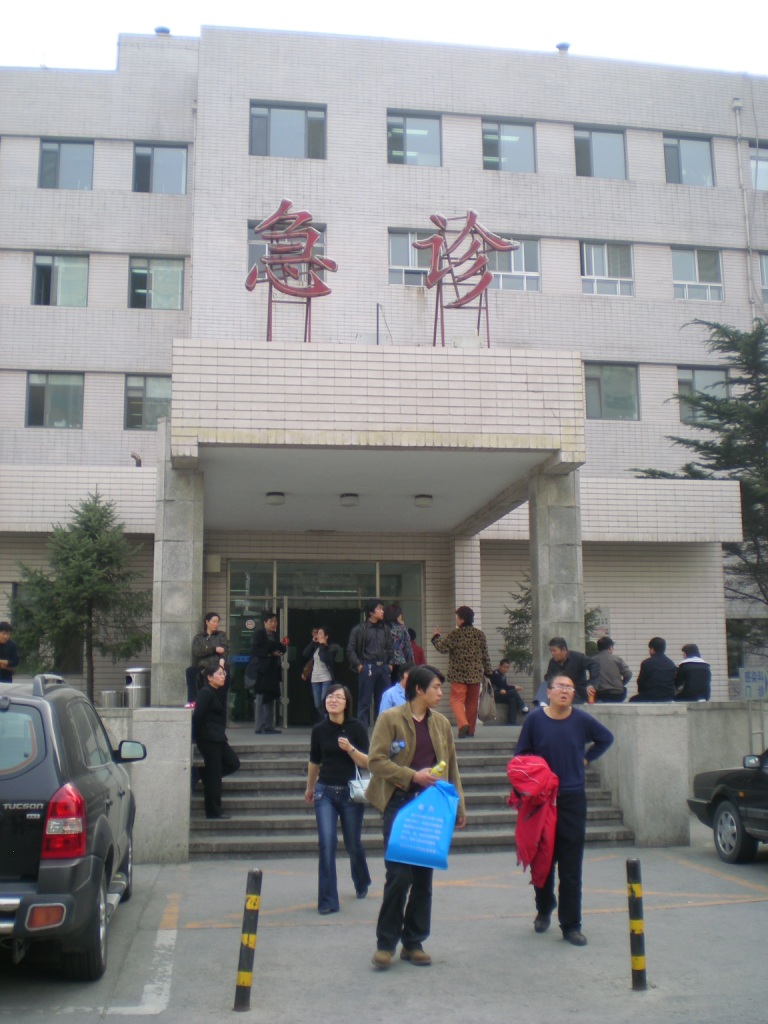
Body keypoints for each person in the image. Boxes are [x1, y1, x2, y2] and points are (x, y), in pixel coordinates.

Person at [367, 665, 466, 969]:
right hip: (400, 805)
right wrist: (413, 776)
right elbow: (376, 761)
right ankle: (386, 944)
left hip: (431, 809)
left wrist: (458, 806)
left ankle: (414, 942)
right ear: (419, 690)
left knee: (423, 878)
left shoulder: (440, 724)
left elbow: (451, 767)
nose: (440, 693)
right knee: (398, 876)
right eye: (436, 687)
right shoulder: (390, 719)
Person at [513, 674, 614, 946]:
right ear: (549, 691)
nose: (565, 691)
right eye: (560, 687)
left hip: (571, 799)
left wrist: (586, 758)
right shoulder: (535, 719)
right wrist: (534, 777)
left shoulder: (582, 720)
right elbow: (520, 755)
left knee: (571, 865)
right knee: (542, 859)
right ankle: (544, 907)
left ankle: (571, 924)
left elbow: (606, 738)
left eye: (570, 687)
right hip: (541, 801)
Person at [305, 683, 372, 914]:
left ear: (347, 703)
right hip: (325, 792)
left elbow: (367, 762)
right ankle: (327, 900)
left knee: (353, 844)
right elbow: (315, 761)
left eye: (338, 697)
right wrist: (310, 787)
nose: (333, 700)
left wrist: (351, 749)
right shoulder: (319, 730)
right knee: (327, 843)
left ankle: (361, 880)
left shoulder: (356, 728)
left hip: (350, 794)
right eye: (330, 697)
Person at [431, 606, 492, 737]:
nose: (456, 620)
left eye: (457, 617)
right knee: (472, 703)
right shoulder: (479, 634)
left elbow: (442, 648)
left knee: (456, 700)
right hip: (475, 675)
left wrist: (436, 637)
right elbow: (485, 655)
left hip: (458, 674)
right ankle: (470, 731)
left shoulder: (455, 634)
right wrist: (488, 671)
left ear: (462, 619)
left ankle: (463, 724)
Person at [192, 664, 241, 819]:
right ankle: (213, 810)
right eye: (219, 674)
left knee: (233, 763)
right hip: (208, 739)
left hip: (217, 738)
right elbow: (197, 716)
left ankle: (202, 773)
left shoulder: (216, 692)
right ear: (209, 677)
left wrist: (223, 664)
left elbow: (228, 682)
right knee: (214, 777)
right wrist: (194, 737)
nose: (223, 676)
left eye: (223, 674)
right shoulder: (205, 693)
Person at [346, 599, 394, 725]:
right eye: (379, 608)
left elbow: (391, 648)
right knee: (364, 702)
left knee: (384, 702)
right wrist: (359, 665)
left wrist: (390, 664)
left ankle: (384, 730)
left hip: (383, 667)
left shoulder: (386, 629)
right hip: (367, 666)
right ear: (371, 612)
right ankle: (362, 732)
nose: (382, 611)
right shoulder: (359, 629)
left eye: (382, 609)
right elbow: (350, 649)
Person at [248, 611, 287, 733]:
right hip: (262, 672)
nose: (274, 624)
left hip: (272, 673)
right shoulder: (259, 635)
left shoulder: (274, 636)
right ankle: (259, 727)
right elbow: (255, 650)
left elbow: (280, 650)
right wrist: (270, 653)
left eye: (275, 622)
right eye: (271, 621)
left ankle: (269, 726)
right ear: (265, 622)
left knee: (270, 698)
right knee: (260, 698)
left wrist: (283, 646)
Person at [188, 612, 229, 708]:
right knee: (190, 671)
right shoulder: (199, 637)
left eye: (217, 622)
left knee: (225, 673)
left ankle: (221, 704)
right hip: (203, 666)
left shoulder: (221, 635)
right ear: (207, 622)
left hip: (216, 666)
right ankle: (193, 700)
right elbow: (197, 651)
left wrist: (221, 662)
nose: (216, 624)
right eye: (214, 621)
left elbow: (224, 650)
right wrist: (214, 649)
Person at [543, 638, 599, 705]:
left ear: (564, 649)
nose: (552, 654)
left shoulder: (577, 657)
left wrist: (592, 683)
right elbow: (549, 678)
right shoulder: (552, 662)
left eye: (554, 651)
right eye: (551, 651)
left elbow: (594, 665)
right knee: (543, 688)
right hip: (559, 692)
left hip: (577, 692)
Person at [303, 627, 341, 718]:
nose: (318, 635)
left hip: (326, 677)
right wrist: (313, 642)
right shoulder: (315, 647)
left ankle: (327, 721)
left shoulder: (331, 648)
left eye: (320, 633)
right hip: (315, 677)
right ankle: (326, 719)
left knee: (325, 701)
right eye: (317, 633)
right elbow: (305, 653)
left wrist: (323, 645)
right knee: (317, 703)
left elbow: (324, 658)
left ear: (326, 636)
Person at [629, 637, 677, 702]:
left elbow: (641, 681)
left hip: (650, 695)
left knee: (632, 700)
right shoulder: (671, 663)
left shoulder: (647, 663)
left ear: (652, 649)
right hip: (668, 696)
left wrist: (642, 692)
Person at [593, 636, 632, 703]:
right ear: (610, 648)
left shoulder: (593, 660)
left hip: (601, 694)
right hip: (617, 694)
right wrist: (622, 684)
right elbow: (628, 674)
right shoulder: (617, 659)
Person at [489, 659, 529, 724]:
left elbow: (504, 687)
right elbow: (503, 686)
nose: (506, 669)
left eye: (507, 668)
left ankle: (512, 721)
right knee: (513, 692)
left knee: (512, 699)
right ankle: (523, 706)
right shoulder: (495, 674)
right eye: (504, 667)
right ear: (499, 666)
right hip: (494, 695)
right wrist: (514, 687)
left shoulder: (503, 676)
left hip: (501, 695)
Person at [385, 604, 414, 681]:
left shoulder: (383, 627)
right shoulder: (401, 628)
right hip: (399, 661)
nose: (401, 617)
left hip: (385, 662)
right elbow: (408, 646)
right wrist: (410, 662)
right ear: (395, 615)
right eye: (400, 615)